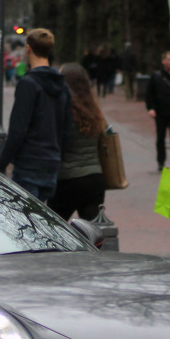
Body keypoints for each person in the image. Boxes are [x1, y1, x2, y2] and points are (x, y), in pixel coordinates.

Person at [0, 27, 72, 201]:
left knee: (26, 219)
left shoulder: (28, 84)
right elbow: (67, 130)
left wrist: (1, 164)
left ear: (28, 48)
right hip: (51, 163)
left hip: (29, 163)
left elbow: (18, 129)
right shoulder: (63, 86)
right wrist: (57, 155)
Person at [49, 63, 108, 222]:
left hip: (67, 179)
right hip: (94, 179)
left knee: (54, 231)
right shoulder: (94, 109)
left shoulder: (62, 109)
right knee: (91, 235)